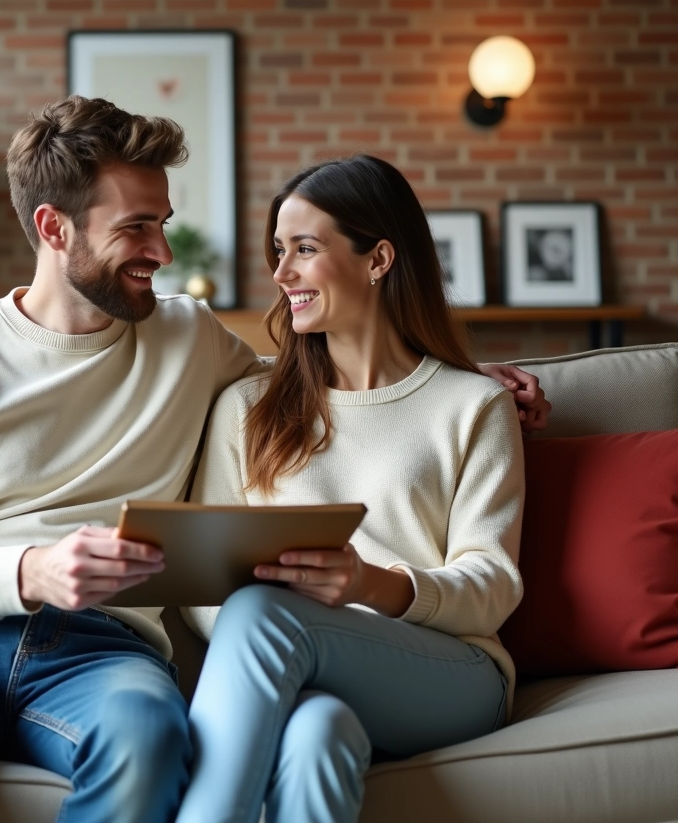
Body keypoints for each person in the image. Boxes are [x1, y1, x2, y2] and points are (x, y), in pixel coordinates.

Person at [0, 96, 549, 823]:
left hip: (100, 651)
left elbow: (344, 390)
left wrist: (457, 380)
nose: (163, 251)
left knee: (148, 742)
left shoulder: (191, 339)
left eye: (164, 223)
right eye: (137, 229)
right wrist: (27, 572)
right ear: (54, 229)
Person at [177, 154, 528, 823]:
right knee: (317, 734)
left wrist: (370, 586)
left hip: (449, 671)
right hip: (295, 669)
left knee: (262, 611)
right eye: (278, 251)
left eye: (304, 249)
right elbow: (203, 585)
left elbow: (492, 585)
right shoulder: (247, 408)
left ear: (378, 258)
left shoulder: (474, 405)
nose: (281, 274)